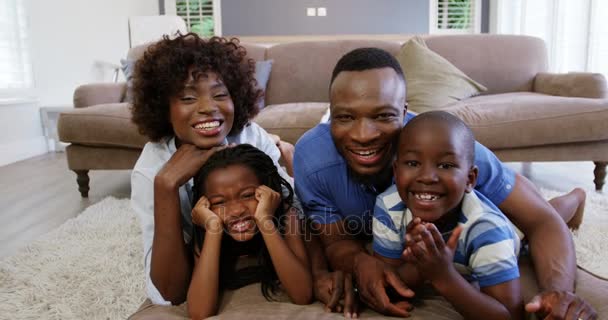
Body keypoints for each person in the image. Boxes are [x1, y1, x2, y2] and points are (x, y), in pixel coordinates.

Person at [293, 47, 596, 319]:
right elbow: (335, 241)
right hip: (408, 236)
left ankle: (575, 197)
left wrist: (559, 292)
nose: (363, 135)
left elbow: (541, 220)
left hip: (478, 227)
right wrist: (360, 261)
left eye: (383, 116)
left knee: (519, 229)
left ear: (404, 111)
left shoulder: (446, 149)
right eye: (345, 118)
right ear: (330, 115)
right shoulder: (312, 158)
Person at [129, 33, 296, 317]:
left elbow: (295, 212)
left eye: (220, 94)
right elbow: (169, 293)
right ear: (163, 108)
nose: (208, 107)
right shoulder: (151, 169)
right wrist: (166, 186)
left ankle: (287, 151)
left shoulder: (250, 136)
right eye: (188, 97)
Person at [374, 111, 525, 319]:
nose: (427, 177)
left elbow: (510, 315)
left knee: (532, 231)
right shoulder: (389, 206)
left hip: (510, 237)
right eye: (412, 163)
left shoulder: (487, 228)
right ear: (395, 171)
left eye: (446, 165)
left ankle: (575, 197)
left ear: (470, 179)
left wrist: (443, 276)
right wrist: (419, 265)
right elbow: (388, 280)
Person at [187, 144, 312, 319]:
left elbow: (302, 295)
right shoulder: (207, 225)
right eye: (219, 202)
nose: (236, 210)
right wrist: (213, 229)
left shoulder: (286, 215)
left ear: (268, 192)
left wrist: (264, 221)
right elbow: (199, 312)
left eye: (247, 195)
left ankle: (284, 149)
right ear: (204, 205)